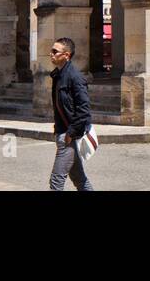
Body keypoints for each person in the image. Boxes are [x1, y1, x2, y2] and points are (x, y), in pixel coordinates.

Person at [48, 37, 93, 191]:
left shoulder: (75, 77)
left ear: (66, 55)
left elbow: (84, 110)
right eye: (51, 50)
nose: (51, 54)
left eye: (55, 51)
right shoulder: (58, 75)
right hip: (63, 133)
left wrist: (71, 133)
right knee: (80, 179)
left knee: (56, 181)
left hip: (69, 136)